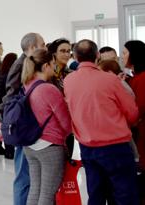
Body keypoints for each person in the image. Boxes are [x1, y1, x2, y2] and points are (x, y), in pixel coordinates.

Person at [64, 39, 139, 204]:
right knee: (125, 195)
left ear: (75, 57)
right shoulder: (110, 80)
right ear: (97, 55)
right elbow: (132, 113)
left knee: (96, 194)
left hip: (87, 147)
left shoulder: (68, 81)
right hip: (116, 146)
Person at [21, 49, 72, 205]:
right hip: (50, 146)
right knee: (48, 194)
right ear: (45, 66)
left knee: (35, 189)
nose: (54, 68)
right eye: (52, 64)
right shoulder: (49, 89)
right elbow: (65, 123)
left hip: (30, 145)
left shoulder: (26, 85)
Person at [3, 32, 46, 205]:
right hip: (23, 126)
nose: (45, 48)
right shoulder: (21, 64)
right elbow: (10, 96)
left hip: (30, 126)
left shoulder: (30, 63)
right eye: (42, 44)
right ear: (32, 47)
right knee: (23, 176)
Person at [123, 41, 145, 174]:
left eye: (125, 53)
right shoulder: (135, 77)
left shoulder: (142, 78)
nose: (122, 56)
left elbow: (141, 107)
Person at [0, 52, 18, 159]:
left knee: (6, 128)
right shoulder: (11, 75)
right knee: (11, 128)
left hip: (3, 104)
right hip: (9, 104)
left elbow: (0, 92)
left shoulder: (2, 74)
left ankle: (8, 151)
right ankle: (10, 151)